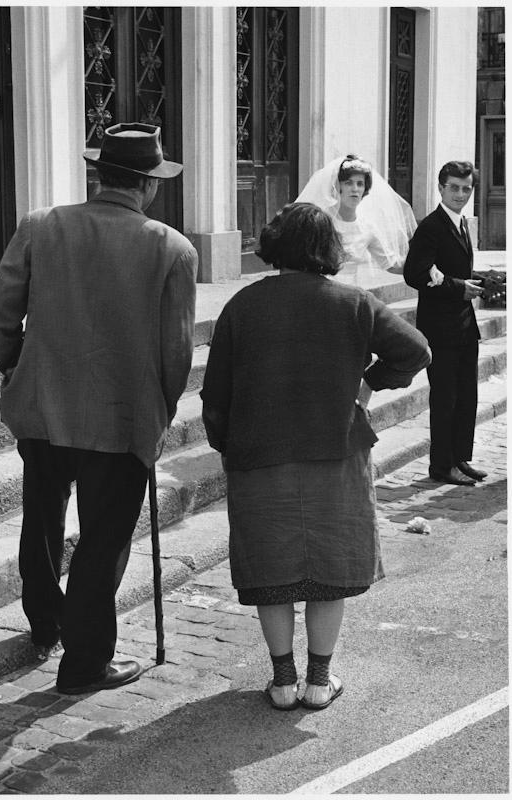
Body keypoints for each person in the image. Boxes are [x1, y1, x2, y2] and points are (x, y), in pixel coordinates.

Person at [0, 123, 198, 694]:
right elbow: (174, 354)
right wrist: (162, 410)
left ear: (99, 173)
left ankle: (44, 622)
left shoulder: (40, 226)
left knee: (42, 515)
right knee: (103, 539)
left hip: (43, 406)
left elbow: (1, 311)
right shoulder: (172, 248)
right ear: (149, 185)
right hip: (122, 413)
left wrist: (13, 368)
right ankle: (83, 662)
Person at [201, 203, 430, 710]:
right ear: (329, 249)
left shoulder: (243, 305)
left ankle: (283, 682)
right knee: (329, 568)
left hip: (260, 457)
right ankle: (319, 682)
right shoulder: (352, 301)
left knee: (272, 572)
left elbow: (214, 397)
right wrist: (368, 384)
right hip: (335, 453)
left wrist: (228, 444)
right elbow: (415, 351)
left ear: (273, 245)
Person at [403, 160, 487, 487]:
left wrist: (481, 281)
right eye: (454, 187)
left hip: (465, 326)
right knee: (445, 398)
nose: (461, 194)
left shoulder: (462, 222)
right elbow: (415, 273)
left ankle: (459, 459)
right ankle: (441, 466)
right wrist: (457, 288)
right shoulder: (431, 227)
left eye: (467, 189)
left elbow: (455, 268)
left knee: (467, 396)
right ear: (440, 187)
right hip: (440, 329)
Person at [296, 154, 416, 284]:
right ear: (337, 187)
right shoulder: (320, 221)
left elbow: (392, 264)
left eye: (360, 184)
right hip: (320, 290)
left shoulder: (367, 227)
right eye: (348, 183)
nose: (355, 189)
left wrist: (425, 265)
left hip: (350, 292)